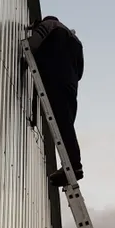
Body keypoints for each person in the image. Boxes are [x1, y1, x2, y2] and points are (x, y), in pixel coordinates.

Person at [27, 15, 84, 186]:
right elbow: (80, 71)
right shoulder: (76, 40)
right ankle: (71, 166)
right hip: (70, 84)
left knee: (62, 124)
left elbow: (32, 45)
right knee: (65, 125)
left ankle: (73, 166)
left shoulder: (49, 25)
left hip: (55, 77)